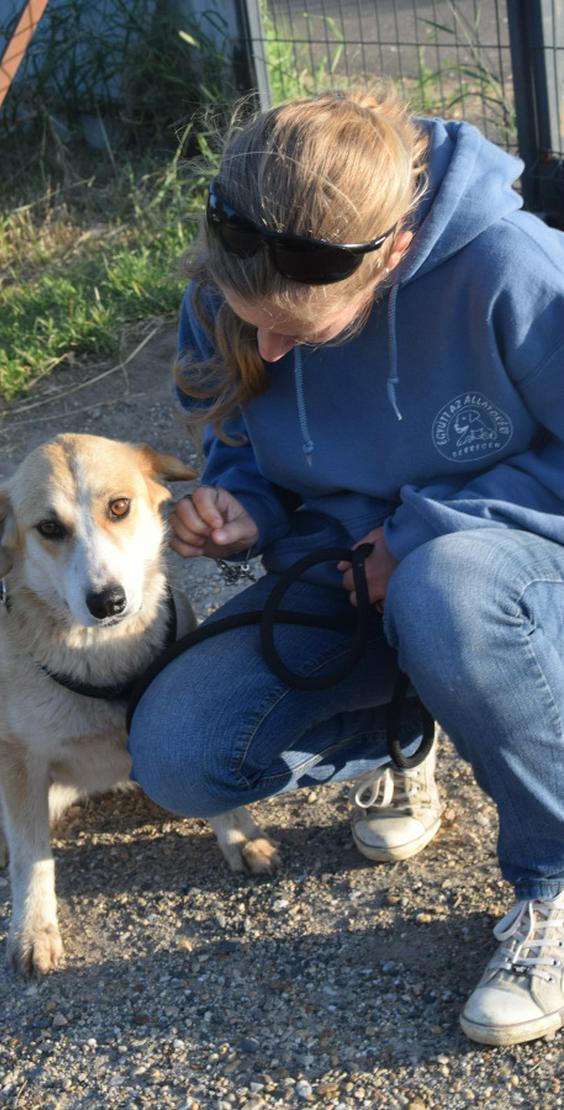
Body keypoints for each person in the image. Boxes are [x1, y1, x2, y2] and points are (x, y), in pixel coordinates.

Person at [127, 87, 564, 1047]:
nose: (270, 349)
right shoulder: (229, 285)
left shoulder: (512, 265)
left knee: (446, 592)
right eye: (253, 324)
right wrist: (242, 505)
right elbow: (239, 444)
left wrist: (420, 533)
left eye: (301, 332)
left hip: (508, 571)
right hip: (343, 578)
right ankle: (416, 730)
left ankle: (551, 878)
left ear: (395, 255)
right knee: (180, 753)